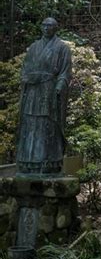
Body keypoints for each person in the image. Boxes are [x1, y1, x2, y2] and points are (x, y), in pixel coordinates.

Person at [16, 17, 72, 175]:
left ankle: (49, 162)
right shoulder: (33, 47)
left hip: (49, 91)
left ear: (56, 28)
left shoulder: (62, 48)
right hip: (33, 92)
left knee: (47, 124)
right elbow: (25, 69)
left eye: (50, 26)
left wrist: (60, 85)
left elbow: (65, 72)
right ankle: (28, 162)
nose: (46, 28)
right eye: (44, 25)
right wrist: (26, 78)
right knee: (30, 123)